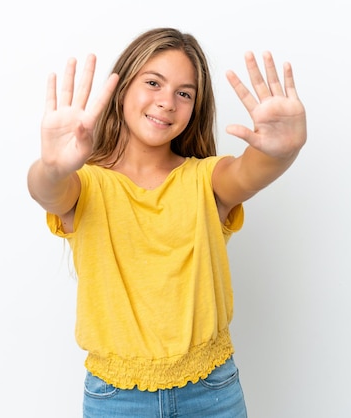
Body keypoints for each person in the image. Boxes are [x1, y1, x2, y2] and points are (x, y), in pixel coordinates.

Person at [27, 27, 306, 418]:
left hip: (213, 391)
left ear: (195, 107)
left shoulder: (205, 179)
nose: (167, 102)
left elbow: (248, 172)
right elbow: (46, 190)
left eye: (184, 93)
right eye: (153, 83)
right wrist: (52, 168)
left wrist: (282, 153)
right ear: (122, 87)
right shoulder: (86, 184)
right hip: (116, 398)